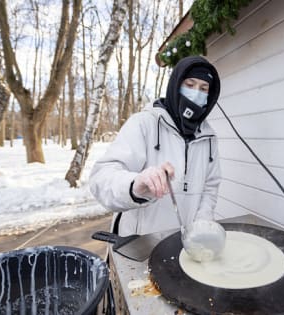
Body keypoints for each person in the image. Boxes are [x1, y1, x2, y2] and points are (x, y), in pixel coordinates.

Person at [89, 56, 221, 236]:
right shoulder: (144, 123)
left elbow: (210, 185)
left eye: (203, 89)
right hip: (140, 246)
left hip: (184, 246)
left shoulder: (209, 137)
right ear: (176, 85)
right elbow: (101, 178)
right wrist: (135, 185)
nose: (196, 93)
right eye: (190, 85)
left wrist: (203, 220)